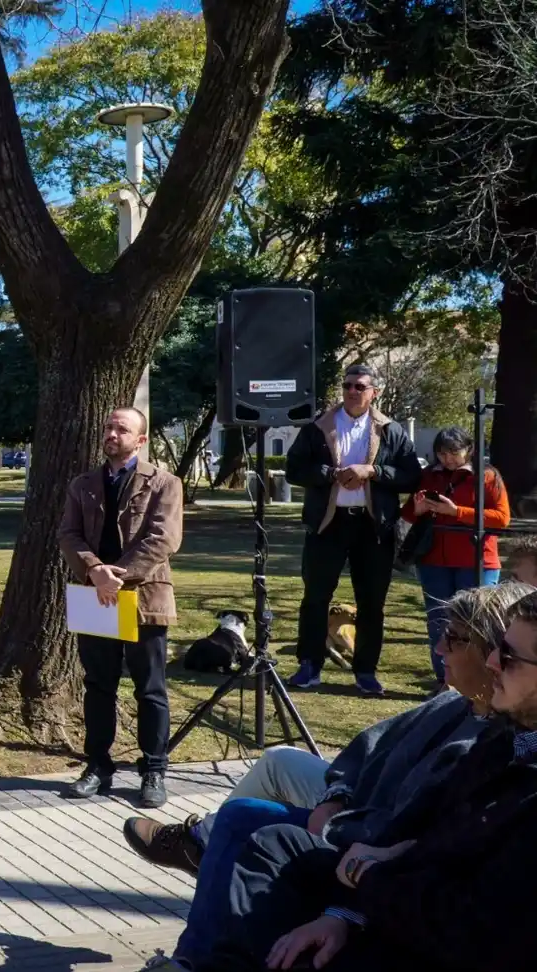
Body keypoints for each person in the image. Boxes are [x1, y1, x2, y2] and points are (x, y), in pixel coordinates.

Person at [133, 582, 530, 972]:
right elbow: (371, 750)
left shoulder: (498, 746)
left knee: (242, 820)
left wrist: (354, 895)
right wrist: (335, 796)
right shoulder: (460, 712)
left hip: (382, 865)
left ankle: (196, 903)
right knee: (274, 792)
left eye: (456, 640)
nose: (439, 648)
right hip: (370, 846)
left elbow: (454, 889)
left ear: (487, 649)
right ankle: (201, 908)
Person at [57, 407, 184, 809]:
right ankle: (98, 766)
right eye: (109, 426)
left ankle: (154, 770)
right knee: (98, 686)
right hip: (96, 595)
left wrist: (120, 575)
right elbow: (68, 534)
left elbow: (164, 539)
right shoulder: (83, 484)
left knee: (150, 689)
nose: (111, 433)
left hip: (144, 596)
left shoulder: (165, 483)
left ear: (140, 440)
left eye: (121, 428)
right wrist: (95, 571)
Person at [285, 364, 421, 696]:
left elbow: (410, 476)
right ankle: (309, 666)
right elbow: (294, 470)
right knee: (315, 598)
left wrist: (372, 471)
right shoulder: (319, 427)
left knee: (372, 602)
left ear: (375, 391)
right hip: (328, 523)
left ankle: (365, 672)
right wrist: (331, 473)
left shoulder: (391, 430)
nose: (351, 391)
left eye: (360, 386)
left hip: (373, 526)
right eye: (347, 385)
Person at [401, 425, 511, 692]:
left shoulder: (487, 477)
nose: (447, 459)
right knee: (439, 620)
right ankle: (445, 680)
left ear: (469, 450)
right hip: (433, 560)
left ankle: (482, 681)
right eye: (441, 453)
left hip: (475, 559)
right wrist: (417, 509)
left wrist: (457, 511)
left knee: (478, 622)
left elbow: (501, 518)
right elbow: (408, 515)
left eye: (453, 452)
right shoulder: (429, 476)